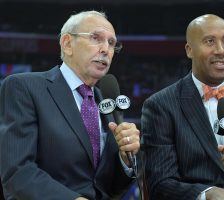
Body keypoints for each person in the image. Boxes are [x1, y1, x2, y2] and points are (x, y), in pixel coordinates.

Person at [0, 10, 140, 200]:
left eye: (112, 43)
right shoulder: (24, 87)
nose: (106, 49)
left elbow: (106, 187)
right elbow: (17, 172)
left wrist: (124, 160)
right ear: (67, 44)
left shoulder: (105, 103)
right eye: (96, 38)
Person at [141, 14, 224, 200]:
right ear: (189, 50)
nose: (221, 50)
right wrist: (206, 195)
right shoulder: (160, 106)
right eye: (210, 41)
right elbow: (160, 184)